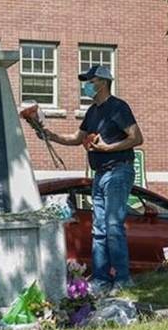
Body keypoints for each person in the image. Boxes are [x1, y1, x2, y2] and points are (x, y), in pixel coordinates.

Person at [43, 65, 143, 297]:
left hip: (118, 171)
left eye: (90, 80)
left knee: (113, 226)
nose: (86, 84)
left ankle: (122, 279)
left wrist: (109, 147)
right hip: (99, 174)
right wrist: (51, 135)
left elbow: (137, 138)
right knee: (99, 229)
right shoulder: (92, 112)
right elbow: (76, 139)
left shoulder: (118, 107)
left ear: (103, 82)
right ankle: (100, 280)